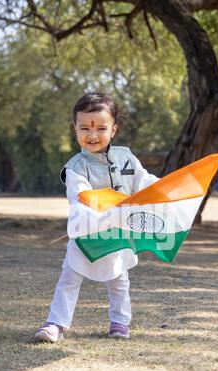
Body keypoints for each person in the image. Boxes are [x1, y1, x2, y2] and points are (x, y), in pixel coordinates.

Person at [35, 92, 159, 343]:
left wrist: (166, 188)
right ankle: (56, 323)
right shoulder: (75, 167)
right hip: (87, 230)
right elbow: (80, 195)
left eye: (101, 128)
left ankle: (120, 322)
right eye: (85, 128)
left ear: (114, 129)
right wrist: (104, 204)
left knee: (118, 278)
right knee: (70, 277)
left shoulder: (127, 158)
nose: (93, 135)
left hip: (118, 232)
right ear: (75, 129)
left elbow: (144, 183)